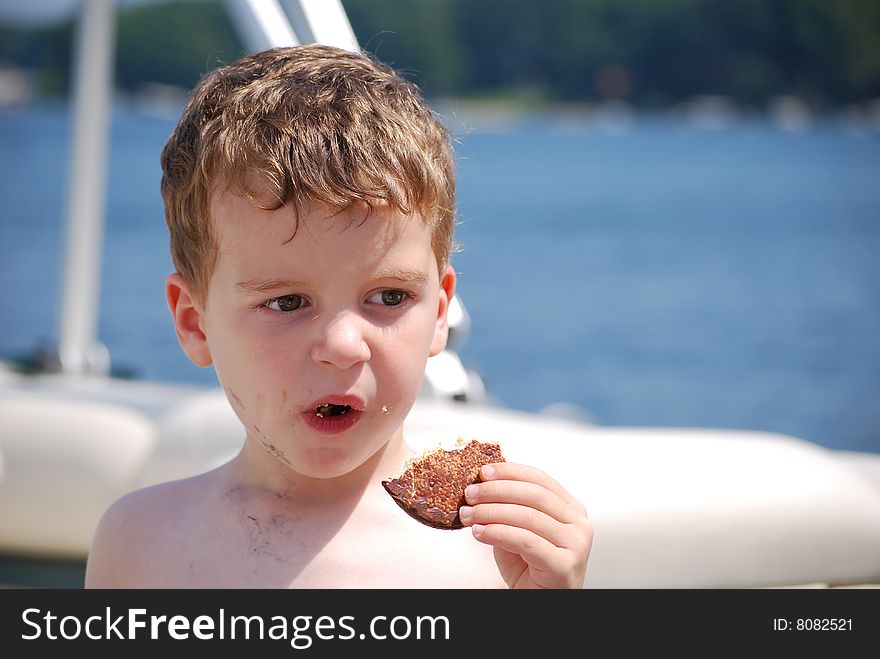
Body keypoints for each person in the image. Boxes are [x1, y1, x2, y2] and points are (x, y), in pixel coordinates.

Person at [84, 44, 592, 588]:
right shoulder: (140, 543)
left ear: (440, 311)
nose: (345, 345)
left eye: (390, 297)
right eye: (285, 302)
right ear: (194, 323)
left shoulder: (494, 554)